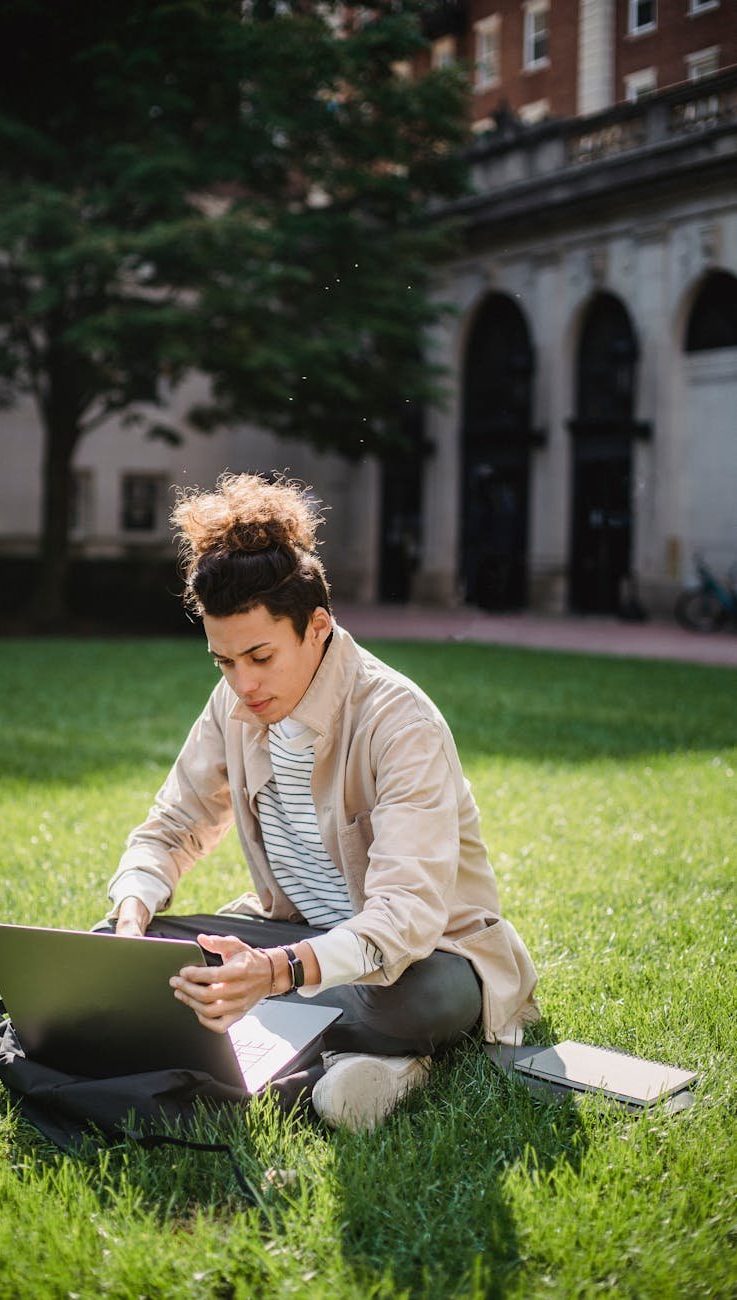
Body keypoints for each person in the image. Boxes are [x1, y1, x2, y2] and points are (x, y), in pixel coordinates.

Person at [107, 473, 538, 1130]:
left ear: (316, 627)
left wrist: (274, 974)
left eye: (258, 656)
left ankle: (318, 1042)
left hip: (424, 958)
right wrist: (131, 915)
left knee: (416, 1004)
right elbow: (174, 823)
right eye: (223, 662)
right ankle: (356, 1067)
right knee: (146, 955)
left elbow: (404, 920)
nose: (242, 683)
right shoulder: (234, 703)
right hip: (294, 937)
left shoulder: (399, 723)